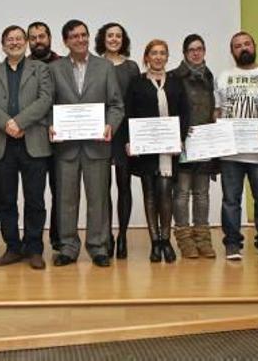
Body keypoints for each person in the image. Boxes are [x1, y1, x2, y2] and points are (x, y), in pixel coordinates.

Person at [48, 19, 124, 267]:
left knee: (98, 198)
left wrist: (109, 125)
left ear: (89, 37)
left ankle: (98, 246)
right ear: (66, 41)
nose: (80, 40)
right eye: (74, 37)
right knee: (66, 200)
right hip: (66, 147)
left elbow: (116, 105)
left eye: (83, 35)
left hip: (96, 145)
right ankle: (68, 247)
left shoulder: (104, 67)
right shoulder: (55, 68)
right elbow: (47, 104)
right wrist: (50, 123)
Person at [0, 25, 53, 270]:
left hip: (33, 142)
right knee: (6, 201)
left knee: (35, 200)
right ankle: (12, 247)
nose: (14, 42)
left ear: (26, 43)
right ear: (2, 45)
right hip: (2, 144)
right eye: (9, 39)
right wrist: (6, 124)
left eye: (19, 39)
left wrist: (20, 122)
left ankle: (34, 249)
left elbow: (46, 99)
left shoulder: (41, 69)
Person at [122, 39, 189, 263]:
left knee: (165, 194)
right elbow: (128, 113)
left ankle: (166, 239)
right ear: (146, 57)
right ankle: (154, 242)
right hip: (146, 150)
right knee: (150, 195)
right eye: (154, 53)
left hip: (169, 150)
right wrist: (130, 141)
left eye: (163, 53)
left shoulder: (176, 83)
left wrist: (181, 138)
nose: (158, 57)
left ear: (167, 57)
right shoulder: (136, 83)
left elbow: (184, 112)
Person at [214, 32, 258, 261]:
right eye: (237, 46)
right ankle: (232, 243)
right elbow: (217, 111)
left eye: (247, 44)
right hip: (231, 152)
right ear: (232, 52)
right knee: (230, 200)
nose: (243, 48)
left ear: (254, 46)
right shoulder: (223, 76)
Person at [95, 22, 140, 259]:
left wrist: (135, 136)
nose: (114, 39)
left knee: (124, 187)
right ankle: (106, 237)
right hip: (100, 133)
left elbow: (135, 103)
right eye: (110, 35)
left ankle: (122, 235)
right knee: (102, 189)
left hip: (125, 134)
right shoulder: (95, 64)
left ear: (124, 40)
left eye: (118, 36)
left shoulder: (132, 67)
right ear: (103, 38)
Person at [170, 33, 217, 259]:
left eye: (200, 49)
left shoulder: (209, 75)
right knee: (181, 193)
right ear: (185, 54)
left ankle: (203, 238)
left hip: (206, 143)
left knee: (202, 194)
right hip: (184, 143)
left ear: (204, 51)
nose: (196, 53)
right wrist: (177, 133)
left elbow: (214, 105)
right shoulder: (175, 77)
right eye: (191, 50)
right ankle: (184, 239)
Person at [27, 21, 62, 251]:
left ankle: (58, 237)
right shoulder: (23, 66)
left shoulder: (62, 65)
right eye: (33, 37)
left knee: (60, 191)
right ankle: (34, 241)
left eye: (42, 36)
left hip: (62, 137)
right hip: (34, 137)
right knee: (35, 194)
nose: (38, 41)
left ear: (49, 38)